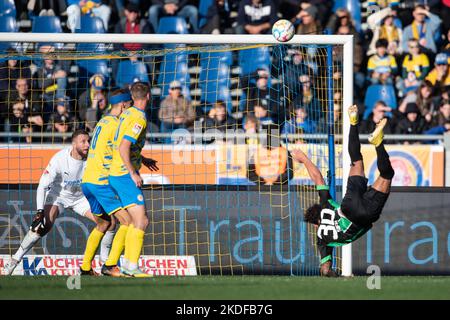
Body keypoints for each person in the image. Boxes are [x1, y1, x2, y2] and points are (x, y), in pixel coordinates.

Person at [291, 105, 394, 277]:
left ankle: (378, 143)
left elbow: (325, 269)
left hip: (364, 216)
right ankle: (354, 123)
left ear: (316, 224)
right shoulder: (326, 205)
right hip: (347, 206)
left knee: (387, 174)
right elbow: (318, 178)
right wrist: (304, 158)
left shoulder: (321, 239)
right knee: (356, 160)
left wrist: (332, 274)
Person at [2, 130, 115, 276]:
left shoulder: (93, 157)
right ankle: (14, 261)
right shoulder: (59, 159)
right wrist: (39, 212)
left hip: (81, 199)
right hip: (58, 196)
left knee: (110, 222)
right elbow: (42, 185)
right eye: (83, 141)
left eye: (89, 141)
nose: (87, 144)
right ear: (74, 144)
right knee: (43, 226)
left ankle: (106, 265)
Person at [81, 89, 136, 277]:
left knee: (104, 224)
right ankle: (110, 265)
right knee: (128, 221)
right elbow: (123, 148)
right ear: (123, 105)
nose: (130, 109)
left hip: (87, 180)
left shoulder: (103, 121)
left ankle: (85, 267)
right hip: (100, 182)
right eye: (129, 105)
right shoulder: (117, 124)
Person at [108, 82, 158, 277]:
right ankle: (130, 266)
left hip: (115, 172)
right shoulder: (138, 117)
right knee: (141, 221)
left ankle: (118, 264)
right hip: (123, 174)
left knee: (129, 221)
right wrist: (133, 172)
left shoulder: (126, 112)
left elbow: (123, 142)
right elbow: (123, 147)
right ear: (148, 97)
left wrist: (142, 159)